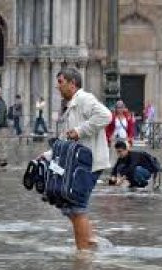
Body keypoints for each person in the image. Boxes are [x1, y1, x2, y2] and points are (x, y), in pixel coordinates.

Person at [41, 68, 111, 250]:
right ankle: (91, 241)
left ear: (72, 84)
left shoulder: (84, 99)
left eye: (61, 82)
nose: (58, 87)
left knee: (77, 206)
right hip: (76, 163)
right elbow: (65, 138)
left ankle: (83, 255)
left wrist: (80, 131)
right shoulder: (71, 105)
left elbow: (106, 116)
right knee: (68, 205)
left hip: (89, 163)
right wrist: (48, 155)